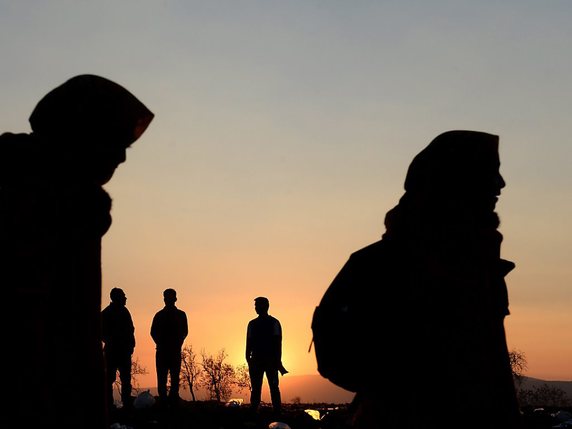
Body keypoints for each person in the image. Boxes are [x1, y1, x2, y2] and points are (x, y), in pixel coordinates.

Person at [329, 130, 521, 429]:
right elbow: (335, 348)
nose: (500, 184)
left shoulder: (480, 262)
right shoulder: (380, 263)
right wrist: (397, 391)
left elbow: (492, 369)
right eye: (490, 173)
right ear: (455, 179)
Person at [1, 74, 153, 428]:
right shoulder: (35, 200)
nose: (122, 158)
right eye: (113, 143)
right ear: (81, 136)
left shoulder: (74, 200)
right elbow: (55, 331)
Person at [245, 296, 286, 414]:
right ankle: (256, 409)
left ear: (265, 306)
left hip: (269, 360)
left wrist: (278, 361)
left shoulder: (273, 323)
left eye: (258, 305)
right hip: (259, 360)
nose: (256, 308)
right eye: (255, 306)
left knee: (272, 387)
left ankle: (276, 410)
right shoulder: (254, 324)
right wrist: (248, 358)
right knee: (258, 387)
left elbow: (278, 343)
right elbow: (249, 342)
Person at [150, 288, 188, 405]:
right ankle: (164, 398)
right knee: (163, 376)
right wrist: (161, 343)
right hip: (164, 351)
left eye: (171, 297)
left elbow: (185, 332)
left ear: (174, 299)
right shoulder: (160, 315)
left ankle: (172, 397)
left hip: (171, 350)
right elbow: (153, 332)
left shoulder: (180, 315)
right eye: (167, 297)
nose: (169, 300)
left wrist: (178, 343)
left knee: (173, 375)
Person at [101, 287, 136, 409]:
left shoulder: (125, 312)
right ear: (117, 298)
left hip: (124, 352)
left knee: (126, 379)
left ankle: (126, 404)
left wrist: (131, 345)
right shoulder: (106, 314)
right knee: (109, 379)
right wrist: (113, 341)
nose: (125, 298)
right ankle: (109, 405)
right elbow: (101, 333)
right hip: (112, 352)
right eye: (123, 296)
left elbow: (131, 330)